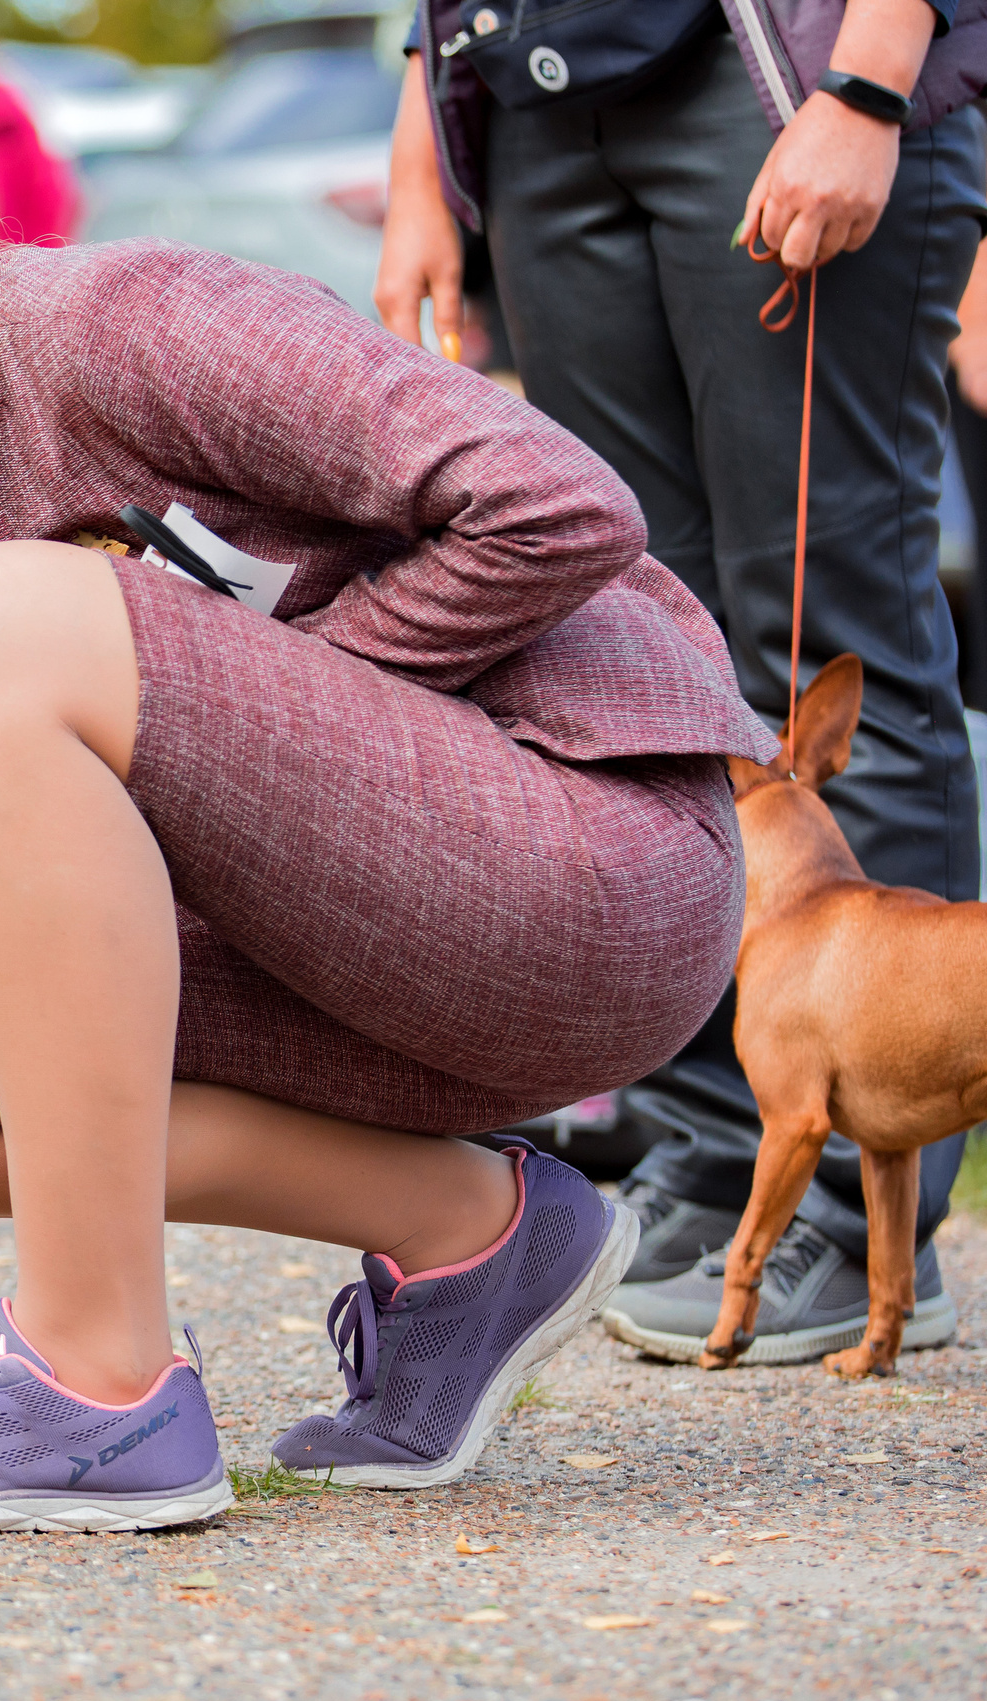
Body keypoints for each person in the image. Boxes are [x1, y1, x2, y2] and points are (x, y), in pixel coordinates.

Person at [0, 171, 775, 1527]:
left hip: (585, 876)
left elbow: (559, 503)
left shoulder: (121, 326)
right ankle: (475, 1234)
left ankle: (94, 1377)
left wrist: (271, 711)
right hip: (335, 948)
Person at [381, 0, 987, 1366]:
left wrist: (868, 86)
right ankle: (721, 1141)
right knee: (649, 650)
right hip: (539, 102)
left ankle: (859, 1213)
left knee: (825, 637)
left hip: (775, 74)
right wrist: (424, 164)